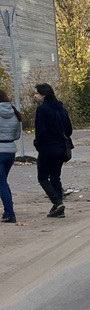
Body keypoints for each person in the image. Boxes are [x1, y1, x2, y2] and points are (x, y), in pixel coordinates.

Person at [32, 82, 73, 218]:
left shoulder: (42, 109)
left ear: (43, 94)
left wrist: (38, 144)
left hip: (47, 148)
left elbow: (40, 130)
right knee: (55, 177)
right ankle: (59, 208)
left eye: (36, 93)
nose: (35, 96)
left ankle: (57, 202)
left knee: (42, 177)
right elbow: (69, 130)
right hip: (61, 148)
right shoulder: (61, 108)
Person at [0, 88, 22, 223]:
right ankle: (7, 211)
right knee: (3, 182)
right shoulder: (14, 113)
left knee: (2, 183)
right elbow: (17, 135)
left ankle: (10, 213)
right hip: (10, 151)